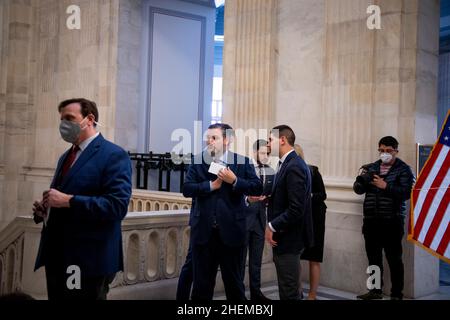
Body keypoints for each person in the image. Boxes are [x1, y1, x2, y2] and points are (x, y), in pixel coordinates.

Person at [32, 98, 132, 300]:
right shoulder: (65, 156)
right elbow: (62, 199)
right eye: (61, 120)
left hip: (87, 260)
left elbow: (117, 206)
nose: (64, 125)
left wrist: (69, 200)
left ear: (89, 119)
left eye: (69, 118)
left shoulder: (113, 155)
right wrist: (47, 210)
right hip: (57, 256)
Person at [182, 123, 263, 301]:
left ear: (227, 140)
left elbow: (257, 187)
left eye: (214, 137)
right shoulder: (198, 160)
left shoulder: (242, 161)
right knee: (201, 287)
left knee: (234, 286)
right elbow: (187, 189)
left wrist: (235, 180)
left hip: (232, 233)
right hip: (204, 234)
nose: (209, 141)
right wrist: (210, 186)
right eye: (208, 137)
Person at [354, 136, 414, 300]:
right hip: (371, 221)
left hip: (392, 221)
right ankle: (375, 291)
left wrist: (385, 186)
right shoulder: (372, 167)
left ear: (396, 151)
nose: (384, 154)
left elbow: (407, 193)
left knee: (394, 259)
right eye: (381, 150)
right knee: (373, 258)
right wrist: (361, 179)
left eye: (388, 151)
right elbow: (358, 190)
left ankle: (396, 294)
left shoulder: (404, 170)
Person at [265, 125, 313, 300]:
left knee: (289, 291)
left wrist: (271, 225)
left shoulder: (294, 166)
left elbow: (296, 209)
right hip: (286, 238)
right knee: (289, 288)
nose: (268, 145)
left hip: (289, 239)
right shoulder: (287, 163)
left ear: (283, 140)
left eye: (271, 140)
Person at [294, 144, 327, 300]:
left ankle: (312, 294)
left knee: (314, 258)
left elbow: (322, 195)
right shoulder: (285, 172)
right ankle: (298, 290)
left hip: (315, 220)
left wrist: (309, 197)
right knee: (295, 258)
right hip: (297, 221)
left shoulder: (313, 171)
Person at [243, 139, 274, 301]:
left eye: (267, 153)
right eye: (262, 153)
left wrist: (268, 199)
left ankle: (256, 293)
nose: (265, 156)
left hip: (261, 221)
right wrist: (247, 198)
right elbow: (236, 190)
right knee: (240, 260)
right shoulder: (244, 168)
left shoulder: (271, 171)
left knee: (256, 261)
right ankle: (238, 293)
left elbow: (273, 194)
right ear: (254, 152)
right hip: (244, 220)